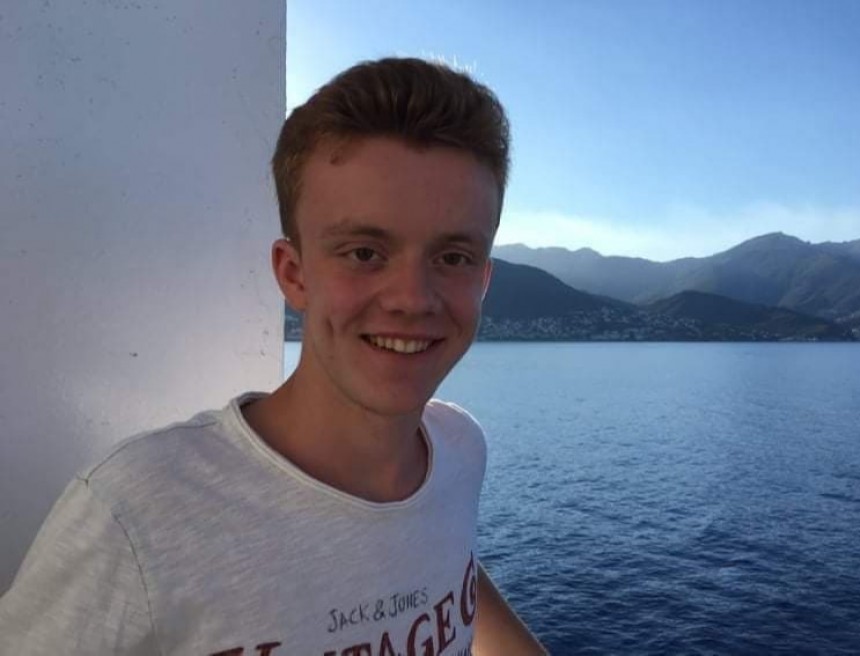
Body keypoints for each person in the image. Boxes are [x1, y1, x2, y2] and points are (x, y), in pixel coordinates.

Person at [0, 57, 546, 655]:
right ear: (294, 274)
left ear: (483, 280)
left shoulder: (460, 449)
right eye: (364, 253)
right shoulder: (134, 518)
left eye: (453, 258)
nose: (412, 299)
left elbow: (447, 562)